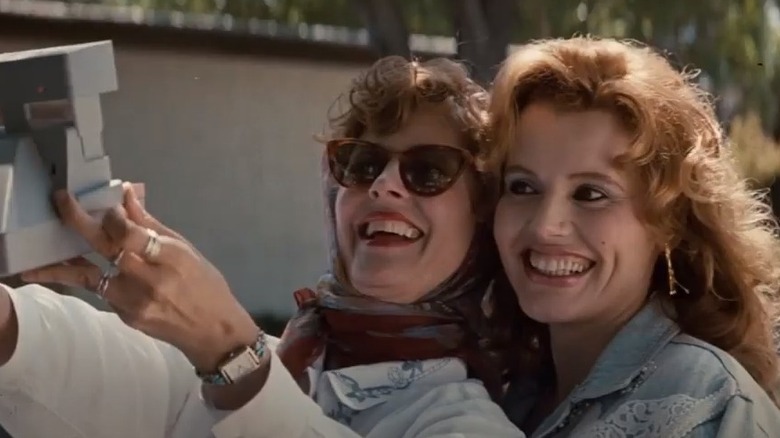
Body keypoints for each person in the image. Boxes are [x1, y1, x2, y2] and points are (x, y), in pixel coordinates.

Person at [0, 56, 524, 437]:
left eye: (428, 171)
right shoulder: (297, 359)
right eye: (363, 163)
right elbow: (131, 376)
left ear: (483, 216)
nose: (385, 185)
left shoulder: (467, 424)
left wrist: (230, 351)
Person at [488, 36, 780, 436]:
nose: (544, 226)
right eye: (522, 187)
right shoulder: (508, 391)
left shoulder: (708, 406)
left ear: (669, 221)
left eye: (591, 193)